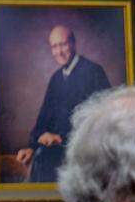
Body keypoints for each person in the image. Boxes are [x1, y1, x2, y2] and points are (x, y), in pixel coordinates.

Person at [15, 25, 111, 182]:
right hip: (56, 152)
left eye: (63, 45)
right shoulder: (56, 79)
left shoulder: (93, 72)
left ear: (73, 43)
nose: (59, 52)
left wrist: (61, 138)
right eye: (54, 46)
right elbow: (44, 118)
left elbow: (103, 121)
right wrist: (31, 147)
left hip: (85, 153)